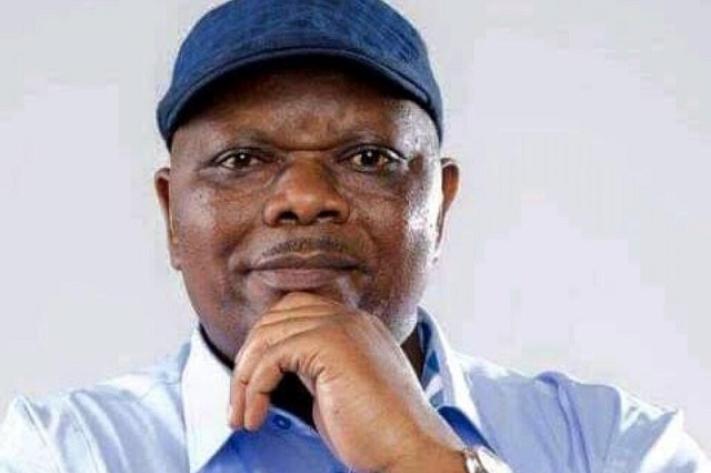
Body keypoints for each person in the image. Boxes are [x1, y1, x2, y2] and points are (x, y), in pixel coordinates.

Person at [0, 0, 708, 472]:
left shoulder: (615, 446)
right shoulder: (60, 452)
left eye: (369, 158)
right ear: (170, 217)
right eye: (240, 160)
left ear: (440, 206)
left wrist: (424, 457)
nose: (304, 198)